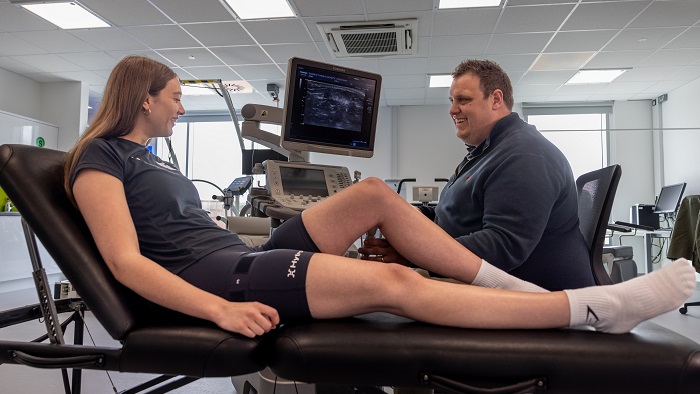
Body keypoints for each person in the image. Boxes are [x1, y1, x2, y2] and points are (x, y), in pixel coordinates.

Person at [64, 55, 695, 339]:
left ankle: (516, 294)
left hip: (235, 255)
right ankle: (588, 309)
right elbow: (125, 263)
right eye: (175, 95)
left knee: (372, 196)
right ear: (143, 97)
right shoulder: (101, 156)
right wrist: (217, 311)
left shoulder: (147, 161)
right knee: (397, 284)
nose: (180, 105)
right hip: (223, 280)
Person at [360, 59, 594, 291]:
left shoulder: (525, 154)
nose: (452, 109)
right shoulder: (486, 152)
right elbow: (453, 216)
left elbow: (502, 245)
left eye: (463, 100)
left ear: (496, 99)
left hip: (533, 301)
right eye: (452, 101)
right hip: (487, 286)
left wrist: (412, 254)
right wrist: (413, 214)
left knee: (378, 291)